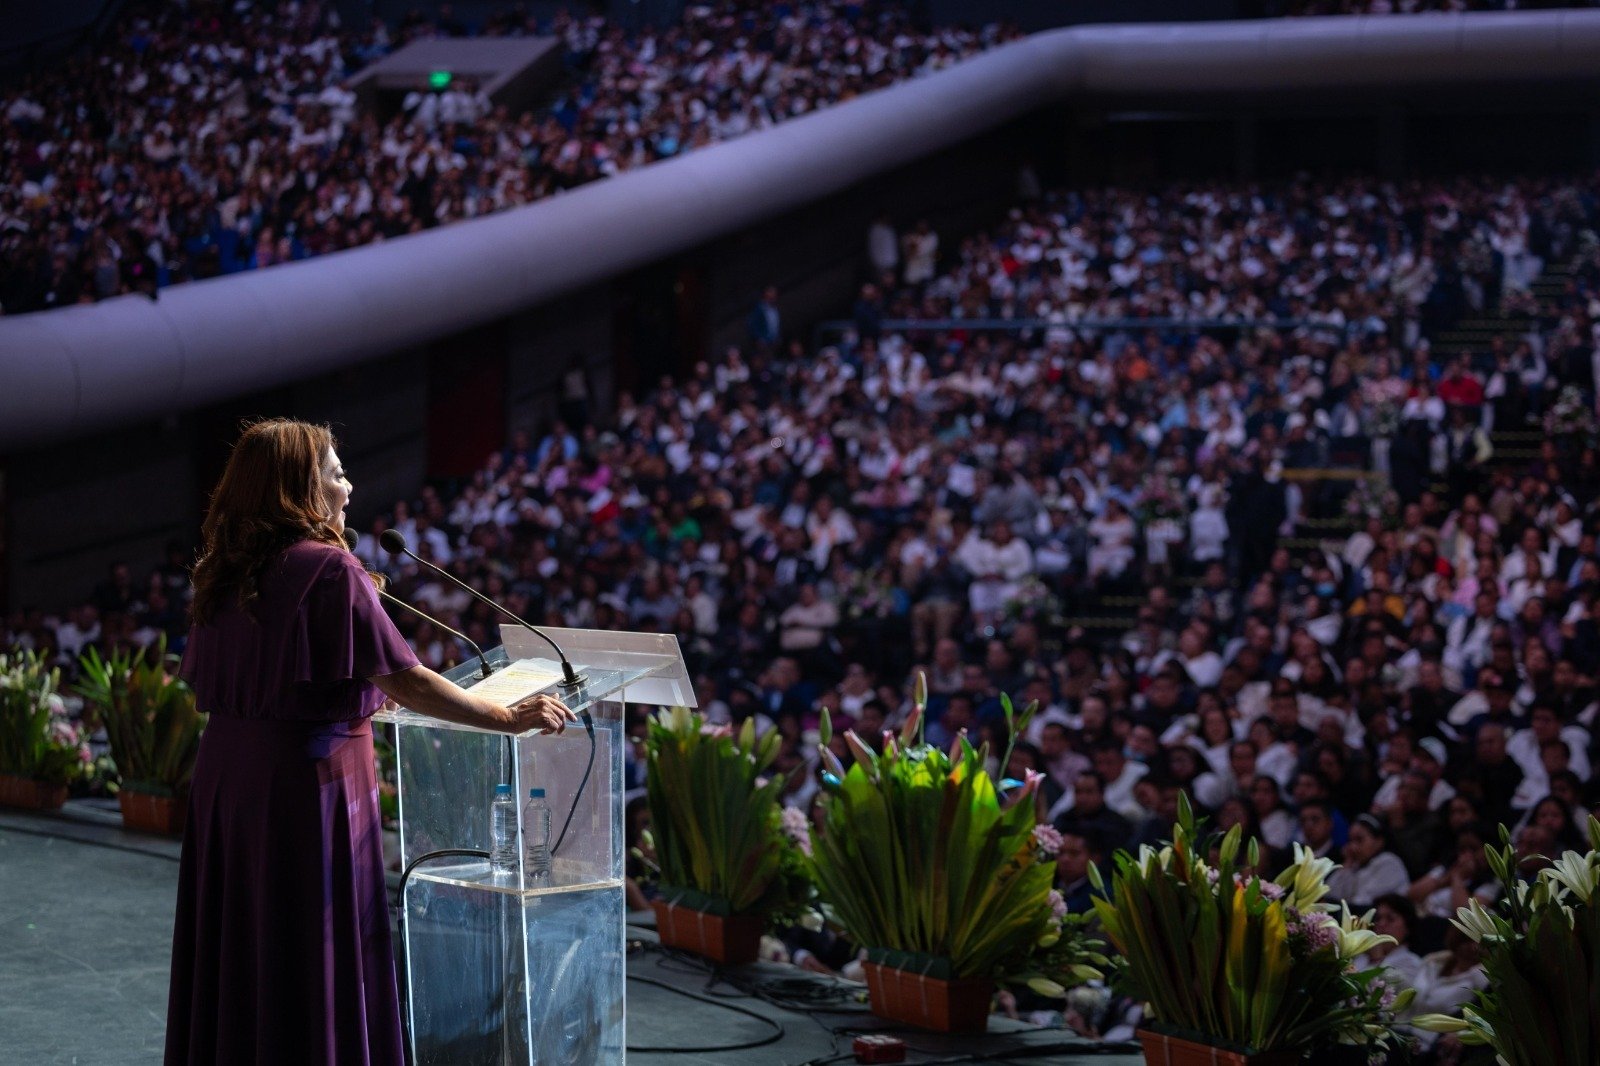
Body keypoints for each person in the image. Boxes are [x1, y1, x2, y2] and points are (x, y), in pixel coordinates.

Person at [165, 419, 575, 1066]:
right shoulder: (328, 568)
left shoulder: (223, 569)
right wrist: (506, 717)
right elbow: (406, 680)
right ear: (298, 485)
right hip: (308, 786)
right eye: (334, 472)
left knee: (244, 942)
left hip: (230, 782)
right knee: (308, 944)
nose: (348, 487)